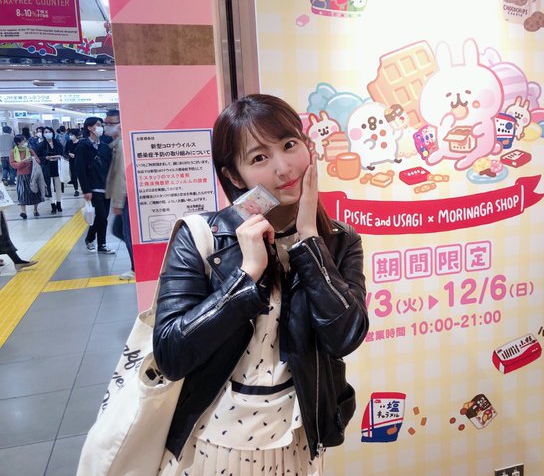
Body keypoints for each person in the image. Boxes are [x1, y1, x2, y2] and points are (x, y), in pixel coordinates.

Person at [153, 94, 368, 475]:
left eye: (289, 144)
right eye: (259, 158)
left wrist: (309, 240)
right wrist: (247, 274)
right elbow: (171, 355)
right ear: (235, 176)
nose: (284, 168)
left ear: (307, 145)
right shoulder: (201, 236)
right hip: (219, 444)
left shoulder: (338, 240)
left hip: (301, 439)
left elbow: (345, 337)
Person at [75, 117, 114, 254]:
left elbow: (110, 166)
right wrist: (86, 189)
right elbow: (80, 169)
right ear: (90, 128)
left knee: (104, 217)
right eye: (98, 125)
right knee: (101, 216)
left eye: (101, 125)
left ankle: (102, 244)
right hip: (93, 187)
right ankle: (90, 237)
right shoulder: (83, 146)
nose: (100, 127)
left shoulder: (104, 146)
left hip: (106, 187)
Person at [104, 109, 134, 279]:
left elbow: (122, 176)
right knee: (119, 230)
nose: (107, 127)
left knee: (126, 233)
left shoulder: (122, 145)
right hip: (125, 198)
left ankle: (136, 267)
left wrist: (118, 202)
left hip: (127, 198)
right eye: (106, 123)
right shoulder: (117, 144)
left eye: (111, 123)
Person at [9, 135, 42, 219]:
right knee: (22, 193)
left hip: (32, 174)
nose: (25, 142)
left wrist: (33, 159)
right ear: (18, 142)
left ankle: (35, 210)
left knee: (34, 191)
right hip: (21, 175)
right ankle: (23, 212)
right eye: (23, 141)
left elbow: (38, 160)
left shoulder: (30, 150)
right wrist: (23, 161)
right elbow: (13, 165)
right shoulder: (13, 152)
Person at [36, 127, 64, 213]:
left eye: (49, 131)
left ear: (52, 132)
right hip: (46, 167)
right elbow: (38, 157)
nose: (48, 133)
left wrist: (59, 156)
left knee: (58, 186)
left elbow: (62, 153)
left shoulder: (57, 143)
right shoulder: (41, 145)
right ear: (43, 134)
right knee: (49, 186)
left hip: (57, 166)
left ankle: (59, 203)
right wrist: (46, 158)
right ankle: (53, 204)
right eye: (45, 132)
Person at [64, 129, 81, 196]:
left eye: (72, 134)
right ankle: (76, 189)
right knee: (74, 176)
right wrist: (69, 154)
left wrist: (76, 155)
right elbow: (65, 151)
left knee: (81, 176)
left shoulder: (81, 143)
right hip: (72, 162)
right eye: (70, 134)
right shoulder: (69, 143)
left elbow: (84, 153)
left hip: (80, 162)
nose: (70, 136)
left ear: (76, 135)